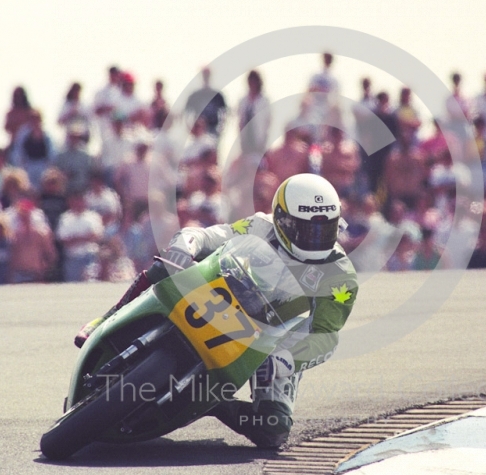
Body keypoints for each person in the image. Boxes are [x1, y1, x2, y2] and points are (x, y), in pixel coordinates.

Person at [73, 174, 358, 449]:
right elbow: (210, 236)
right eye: (307, 229)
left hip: (270, 341)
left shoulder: (340, 277)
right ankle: (106, 318)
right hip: (223, 290)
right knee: (165, 266)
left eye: (326, 229)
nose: (317, 238)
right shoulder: (261, 226)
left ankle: (214, 403)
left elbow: (325, 335)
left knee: (272, 430)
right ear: (282, 220)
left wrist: (284, 360)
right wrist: (185, 245)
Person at [185, 67, 227, 137]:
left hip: (213, 130)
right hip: (199, 131)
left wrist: (221, 128)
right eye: (204, 75)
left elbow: (224, 112)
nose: (206, 77)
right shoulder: (195, 95)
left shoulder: (217, 95)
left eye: (207, 75)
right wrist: (190, 128)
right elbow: (187, 113)